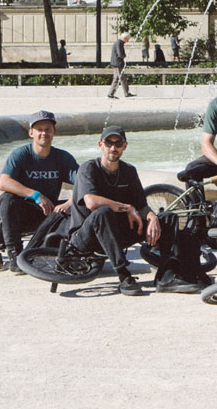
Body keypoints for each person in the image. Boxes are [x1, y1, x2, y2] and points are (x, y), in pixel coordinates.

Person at [65, 125, 160, 296]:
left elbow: (141, 205)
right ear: (100, 144)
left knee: (167, 219)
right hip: (86, 237)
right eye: (109, 143)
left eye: (118, 143)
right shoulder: (88, 168)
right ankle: (124, 275)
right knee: (103, 212)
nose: (113, 148)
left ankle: (170, 273)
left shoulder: (129, 171)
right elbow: (91, 202)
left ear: (125, 146)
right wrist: (127, 208)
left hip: (116, 233)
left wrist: (152, 216)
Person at [0, 109, 78, 270]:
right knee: (7, 198)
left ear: (54, 132)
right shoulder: (20, 154)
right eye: (39, 130)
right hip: (24, 210)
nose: (44, 133)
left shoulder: (63, 157)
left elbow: (85, 183)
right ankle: (14, 254)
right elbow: (3, 182)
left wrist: (69, 203)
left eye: (48, 129)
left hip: (49, 212)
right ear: (31, 133)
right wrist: (35, 195)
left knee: (80, 206)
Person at [107, 30, 133, 99]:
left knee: (116, 79)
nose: (128, 41)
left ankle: (110, 94)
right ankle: (126, 93)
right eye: (128, 39)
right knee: (122, 78)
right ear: (125, 38)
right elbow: (120, 54)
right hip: (118, 64)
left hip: (115, 63)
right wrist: (125, 55)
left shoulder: (119, 43)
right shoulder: (119, 43)